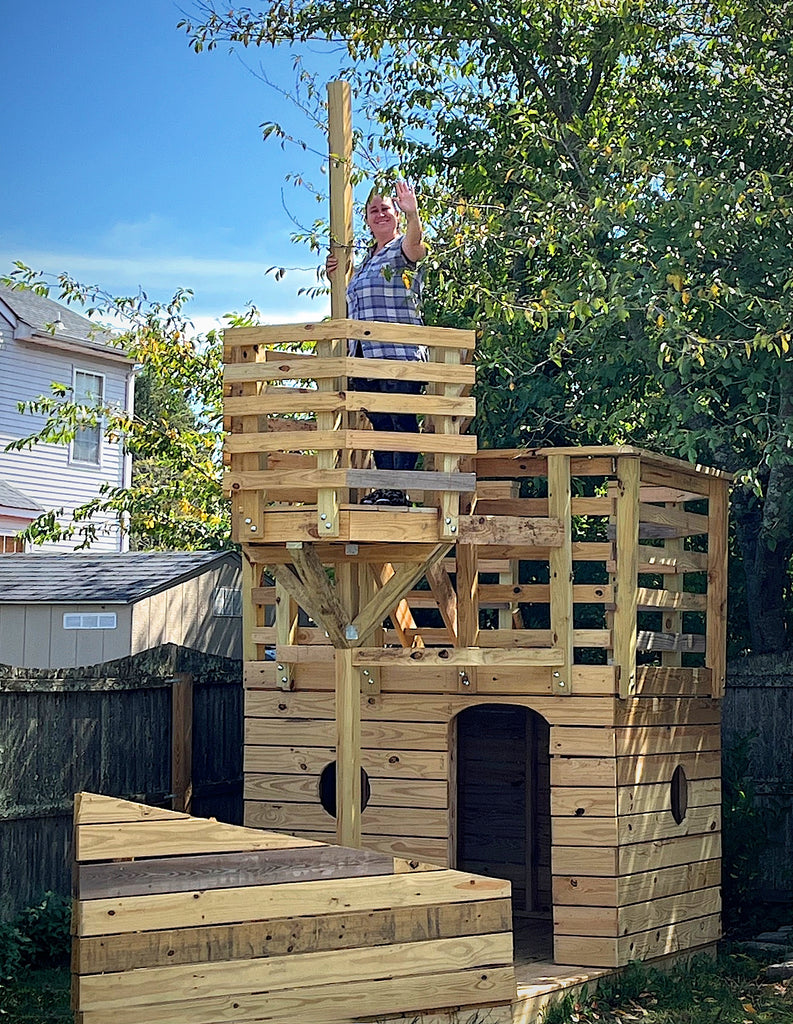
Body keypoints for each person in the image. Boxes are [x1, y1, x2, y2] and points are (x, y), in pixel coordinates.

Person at [326, 181, 427, 506]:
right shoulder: (368, 259)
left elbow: (417, 245)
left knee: (401, 420)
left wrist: (413, 215)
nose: (380, 214)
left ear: (395, 213)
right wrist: (336, 280)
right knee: (382, 422)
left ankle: (398, 490)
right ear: (367, 221)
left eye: (386, 208)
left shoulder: (401, 248)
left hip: (399, 354)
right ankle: (387, 488)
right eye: (373, 211)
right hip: (365, 357)